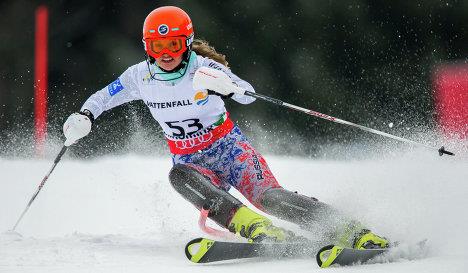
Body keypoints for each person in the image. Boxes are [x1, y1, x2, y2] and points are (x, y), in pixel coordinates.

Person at [63, 6, 388, 249]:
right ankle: (257, 229)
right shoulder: (139, 76)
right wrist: (85, 115)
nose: (165, 55)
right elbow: (105, 96)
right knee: (179, 177)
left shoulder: (203, 67)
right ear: (148, 47)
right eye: (157, 47)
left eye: (173, 46)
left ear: (187, 43)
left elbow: (245, 94)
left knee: (271, 198)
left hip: (230, 151)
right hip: (190, 161)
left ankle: (351, 231)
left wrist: (227, 85)